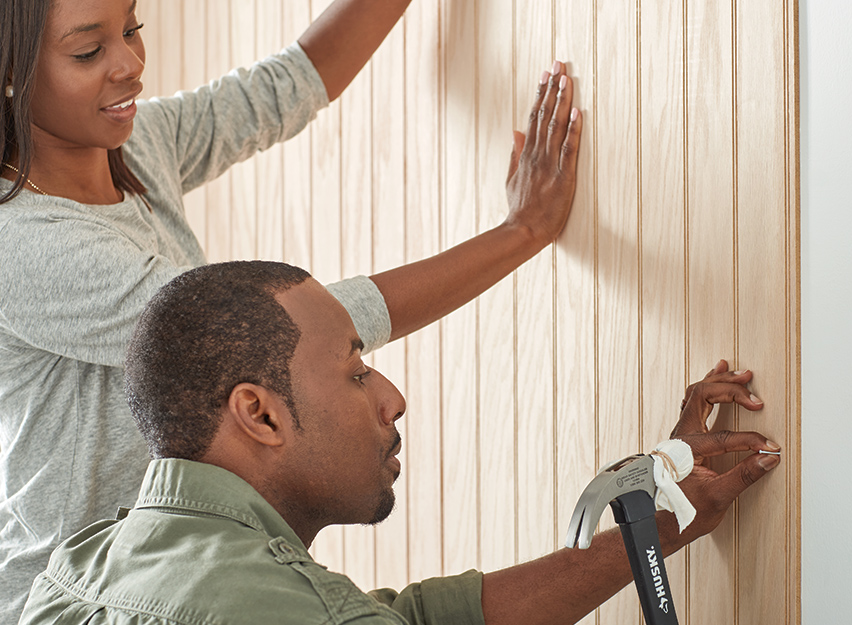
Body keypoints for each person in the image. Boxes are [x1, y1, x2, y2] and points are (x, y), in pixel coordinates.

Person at [0, 0, 582, 619]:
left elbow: (287, 85)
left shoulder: (136, 145)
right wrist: (522, 232)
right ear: (10, 73)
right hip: (86, 599)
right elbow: (280, 335)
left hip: (186, 568)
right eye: (88, 52)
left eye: (132, 30)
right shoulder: (23, 243)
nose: (130, 64)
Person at [18, 260, 781, 625]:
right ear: (260, 413)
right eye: (354, 373)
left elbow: (410, 622)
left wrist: (654, 516)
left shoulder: (80, 562)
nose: (392, 397)